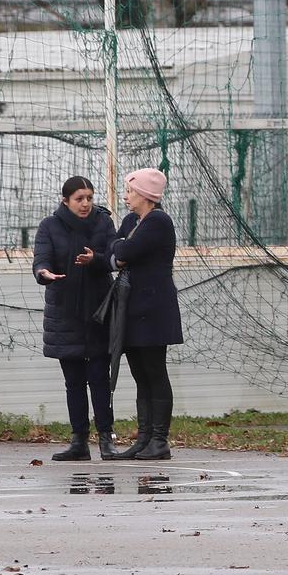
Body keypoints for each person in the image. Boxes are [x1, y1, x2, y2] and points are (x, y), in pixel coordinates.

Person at [32, 176, 118, 461]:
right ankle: (79, 441)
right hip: (65, 312)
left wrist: (96, 260)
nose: (85, 204)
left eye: (89, 198)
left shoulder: (103, 222)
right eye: (79, 198)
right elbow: (41, 259)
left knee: (100, 378)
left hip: (98, 311)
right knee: (74, 381)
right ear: (65, 201)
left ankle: (106, 438)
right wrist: (44, 273)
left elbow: (114, 258)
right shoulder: (49, 226)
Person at [105, 169, 181, 461]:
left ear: (146, 195)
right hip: (132, 308)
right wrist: (119, 251)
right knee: (140, 375)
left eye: (130, 191)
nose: (126, 197)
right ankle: (144, 439)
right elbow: (114, 248)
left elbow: (125, 249)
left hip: (154, 308)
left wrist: (120, 250)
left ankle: (160, 440)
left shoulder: (158, 221)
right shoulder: (131, 221)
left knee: (154, 371)